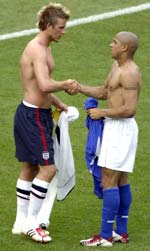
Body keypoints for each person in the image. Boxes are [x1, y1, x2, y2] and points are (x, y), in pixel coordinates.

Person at [12, 3, 79, 243]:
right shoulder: (38, 50)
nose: (64, 31)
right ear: (49, 26)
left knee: (30, 167)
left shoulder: (45, 46)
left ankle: (20, 222)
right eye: (61, 27)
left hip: (32, 113)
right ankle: (32, 223)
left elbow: (41, 88)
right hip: (33, 118)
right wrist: (67, 84)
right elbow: (43, 84)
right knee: (48, 169)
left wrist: (59, 105)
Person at [69, 31, 141, 247]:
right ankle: (121, 232)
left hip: (120, 129)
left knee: (110, 179)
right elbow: (104, 92)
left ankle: (105, 236)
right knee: (121, 179)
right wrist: (79, 87)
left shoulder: (130, 73)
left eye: (115, 42)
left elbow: (130, 109)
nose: (111, 44)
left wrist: (102, 113)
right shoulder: (116, 67)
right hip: (117, 129)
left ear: (125, 48)